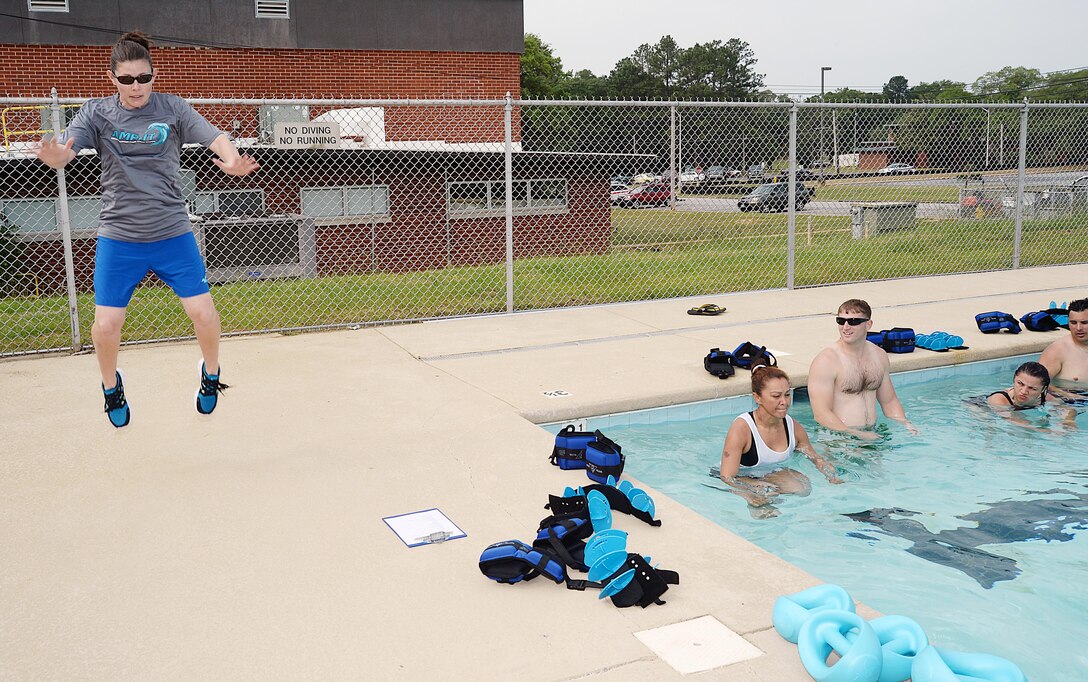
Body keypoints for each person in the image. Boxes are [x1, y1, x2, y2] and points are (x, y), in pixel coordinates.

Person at [32, 31, 259, 427]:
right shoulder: (96, 112)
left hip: (172, 232)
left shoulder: (172, 108)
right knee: (106, 325)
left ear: (153, 75)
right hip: (120, 237)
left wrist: (233, 158)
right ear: (112, 78)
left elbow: (215, 137)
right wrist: (56, 157)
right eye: (126, 80)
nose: (136, 87)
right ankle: (110, 387)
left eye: (143, 78)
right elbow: (66, 150)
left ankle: (211, 375)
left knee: (203, 312)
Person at [718, 365, 843, 514]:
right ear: (757, 397)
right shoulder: (742, 428)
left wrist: (831, 475)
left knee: (802, 488)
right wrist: (748, 494)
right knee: (767, 493)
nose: (784, 402)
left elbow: (815, 457)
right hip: (741, 476)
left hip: (770, 474)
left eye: (787, 395)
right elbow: (727, 477)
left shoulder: (792, 426)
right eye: (776, 396)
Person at [807, 298, 916, 439]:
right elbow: (821, 414)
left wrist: (906, 424)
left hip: (871, 433)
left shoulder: (879, 356)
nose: (845, 327)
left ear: (868, 324)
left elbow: (889, 401)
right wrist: (855, 434)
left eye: (853, 322)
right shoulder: (826, 361)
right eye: (841, 321)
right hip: (837, 439)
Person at [978, 361, 1077, 430]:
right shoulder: (999, 399)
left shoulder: (1044, 397)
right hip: (980, 406)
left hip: (1019, 412)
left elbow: (1068, 409)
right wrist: (1049, 431)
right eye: (1020, 383)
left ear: (1043, 389)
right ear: (1014, 379)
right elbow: (1018, 422)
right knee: (989, 427)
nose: (1024, 391)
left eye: (1032, 388)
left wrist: (1069, 420)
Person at [1039, 298, 1088, 403]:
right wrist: (1066, 395)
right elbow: (1037, 383)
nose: (1078, 328)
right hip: (1071, 403)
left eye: (1084, 323)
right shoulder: (1057, 351)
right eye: (1073, 323)